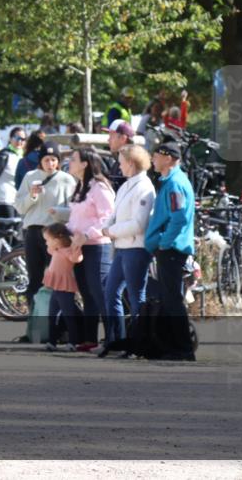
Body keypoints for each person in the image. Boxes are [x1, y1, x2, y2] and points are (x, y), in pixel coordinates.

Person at [13, 141, 77, 338]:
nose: (50, 163)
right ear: (40, 161)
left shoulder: (67, 180)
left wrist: (58, 213)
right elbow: (19, 207)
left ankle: (59, 328)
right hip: (33, 231)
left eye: (54, 159)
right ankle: (34, 328)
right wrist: (31, 196)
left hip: (56, 234)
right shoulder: (30, 177)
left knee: (58, 280)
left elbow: (74, 210)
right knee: (34, 280)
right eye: (46, 159)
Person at [144, 141, 197, 361]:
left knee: (173, 300)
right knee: (169, 299)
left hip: (172, 250)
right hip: (170, 248)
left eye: (155, 156)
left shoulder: (175, 184)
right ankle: (171, 346)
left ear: (168, 158)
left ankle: (184, 349)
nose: (152, 160)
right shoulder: (171, 181)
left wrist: (165, 242)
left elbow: (179, 216)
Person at [101, 145, 156, 353]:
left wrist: (111, 231)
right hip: (123, 247)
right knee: (111, 292)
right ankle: (116, 340)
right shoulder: (125, 186)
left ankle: (138, 342)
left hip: (136, 248)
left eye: (122, 162)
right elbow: (115, 214)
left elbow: (139, 223)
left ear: (131, 164)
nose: (119, 166)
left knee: (135, 296)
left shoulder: (144, 187)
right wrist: (106, 227)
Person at [65, 148, 116, 352]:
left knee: (100, 293)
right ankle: (90, 339)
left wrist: (88, 234)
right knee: (87, 294)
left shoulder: (99, 187)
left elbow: (108, 217)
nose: (69, 161)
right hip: (80, 247)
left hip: (98, 247)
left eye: (73, 159)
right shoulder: (80, 186)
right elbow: (76, 217)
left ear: (85, 164)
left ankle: (113, 338)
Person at [42, 223, 84, 352]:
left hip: (65, 289)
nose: (46, 243)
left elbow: (77, 258)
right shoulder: (55, 250)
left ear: (57, 240)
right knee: (52, 315)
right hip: (56, 289)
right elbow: (50, 248)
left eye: (47, 240)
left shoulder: (67, 251)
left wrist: (76, 244)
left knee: (68, 315)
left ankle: (73, 341)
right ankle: (52, 341)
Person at [0, 127, 26, 220]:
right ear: (10, 139)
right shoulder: (4, 155)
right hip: (3, 198)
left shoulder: (23, 157)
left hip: (17, 200)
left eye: (23, 139)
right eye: (17, 138)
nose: (20, 141)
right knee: (9, 230)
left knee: (17, 231)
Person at [105, 119, 135, 190]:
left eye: (111, 136)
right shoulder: (118, 162)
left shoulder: (132, 164)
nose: (108, 140)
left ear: (123, 138)